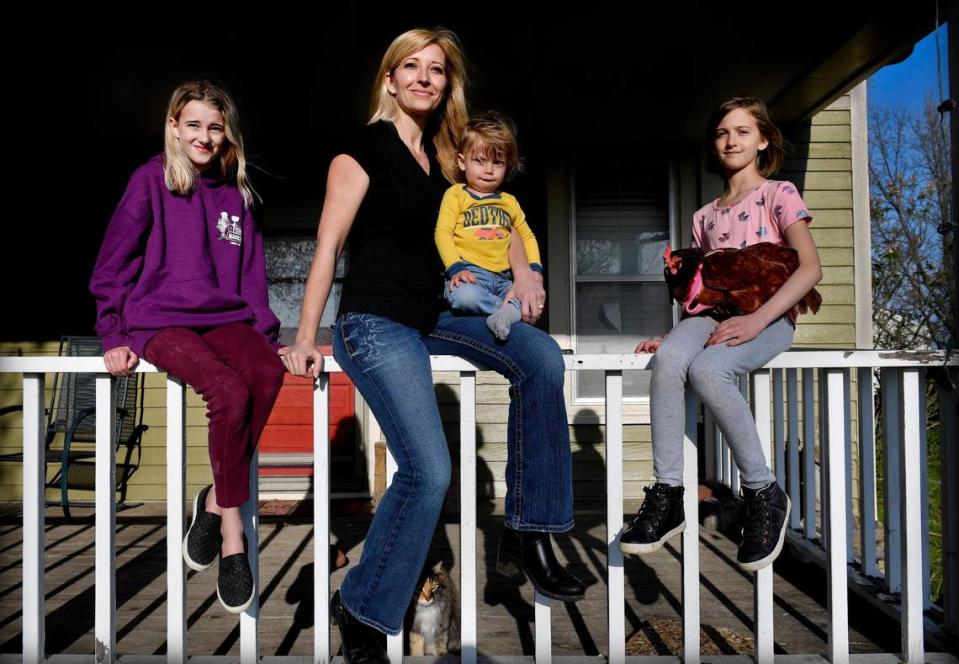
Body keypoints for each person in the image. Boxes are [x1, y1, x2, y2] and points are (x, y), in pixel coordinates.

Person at [279, 28, 584, 664]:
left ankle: (530, 532)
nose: (424, 77)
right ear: (389, 79)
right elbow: (328, 246)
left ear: (448, 84)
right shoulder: (361, 151)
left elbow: (500, 223)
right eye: (410, 67)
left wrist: (524, 270)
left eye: (437, 69)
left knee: (541, 358)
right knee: (429, 470)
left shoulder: (447, 162)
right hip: (376, 323)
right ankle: (360, 607)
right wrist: (307, 336)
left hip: (437, 314)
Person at [90, 80, 283, 613]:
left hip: (224, 318)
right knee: (226, 390)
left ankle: (216, 501)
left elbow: (251, 279)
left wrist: (264, 338)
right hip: (159, 321)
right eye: (193, 125)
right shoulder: (150, 181)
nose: (204, 136)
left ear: (227, 134)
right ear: (174, 127)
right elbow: (114, 263)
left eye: (214, 127)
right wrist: (113, 332)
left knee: (264, 374)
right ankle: (233, 536)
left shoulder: (235, 195)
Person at [620, 95, 823, 572]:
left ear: (763, 140)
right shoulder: (705, 216)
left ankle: (762, 491)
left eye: (743, 131)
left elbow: (810, 269)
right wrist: (673, 336)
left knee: (710, 371)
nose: (731, 140)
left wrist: (757, 320)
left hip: (767, 316)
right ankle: (669, 493)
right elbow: (703, 289)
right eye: (722, 132)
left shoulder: (779, 194)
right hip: (713, 316)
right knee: (669, 361)